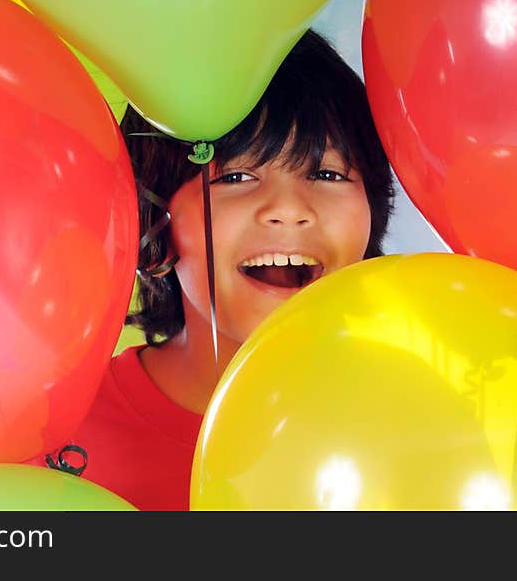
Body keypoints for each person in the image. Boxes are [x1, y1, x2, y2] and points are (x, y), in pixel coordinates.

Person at [32, 29, 395, 510]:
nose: (288, 209)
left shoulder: (424, 414)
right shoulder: (55, 441)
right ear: (154, 223)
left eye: (327, 174)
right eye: (236, 177)